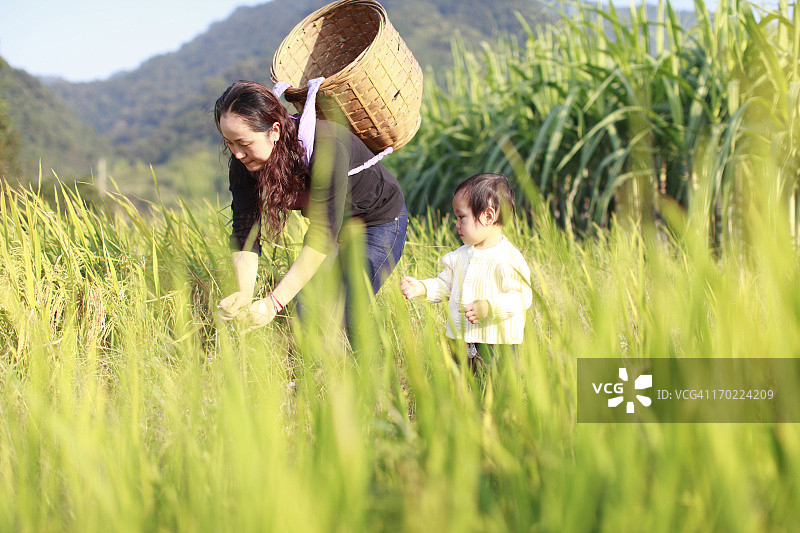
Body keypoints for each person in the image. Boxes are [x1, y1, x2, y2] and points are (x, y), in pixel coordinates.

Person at [215, 80, 408, 335]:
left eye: (243, 143)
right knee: (305, 310)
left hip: (377, 220)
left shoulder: (326, 146)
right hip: (335, 225)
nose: (237, 154)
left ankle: (372, 361)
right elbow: (246, 229)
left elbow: (322, 235)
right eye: (229, 143)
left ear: (274, 130)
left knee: (344, 310)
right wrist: (244, 293)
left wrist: (272, 304)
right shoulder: (244, 163)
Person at [400, 173, 532, 373]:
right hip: (459, 341)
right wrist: (423, 288)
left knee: (494, 387)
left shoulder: (508, 258)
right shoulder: (458, 256)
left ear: (488, 216)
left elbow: (521, 296)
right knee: (460, 385)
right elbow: (445, 285)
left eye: (461, 217)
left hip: (497, 344)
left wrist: (489, 307)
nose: (457, 224)